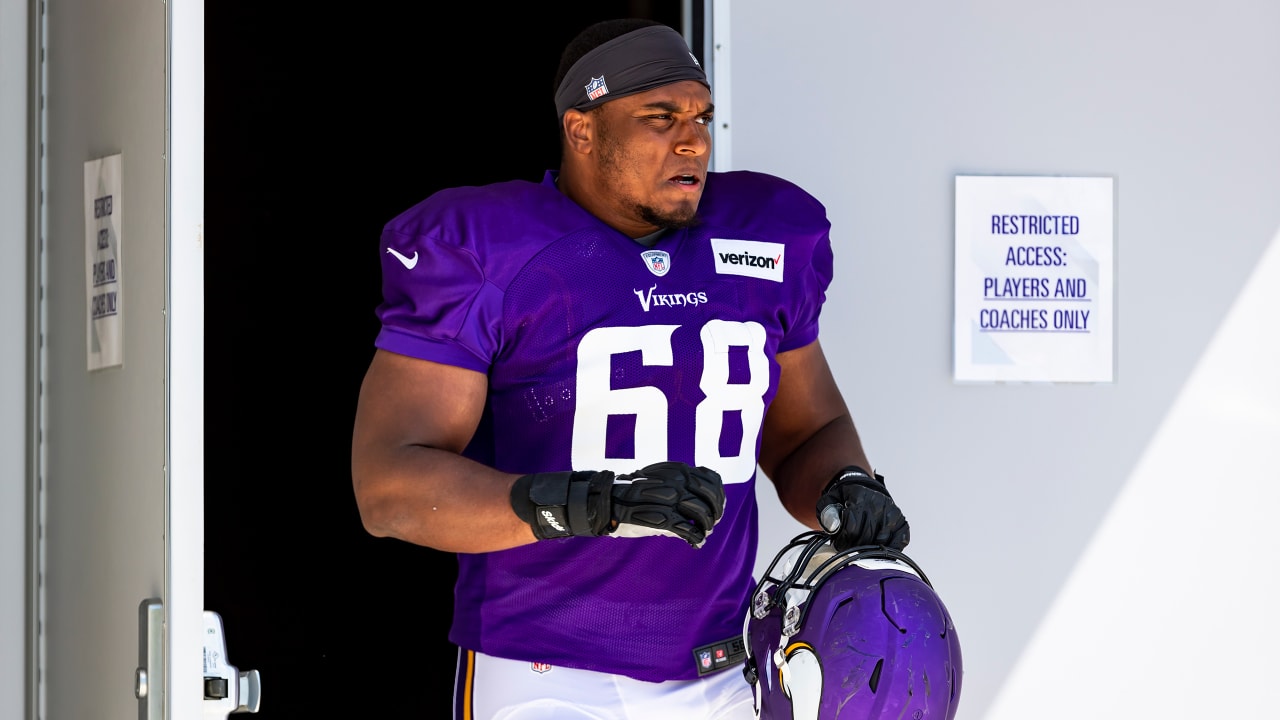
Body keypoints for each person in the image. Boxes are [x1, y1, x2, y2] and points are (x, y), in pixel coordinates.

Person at [350, 17, 911, 720]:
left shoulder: (764, 236)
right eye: (661, 117)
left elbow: (805, 430)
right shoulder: (491, 251)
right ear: (582, 130)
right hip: (546, 669)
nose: (694, 140)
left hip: (724, 668)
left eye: (702, 116)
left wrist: (845, 485)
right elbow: (391, 487)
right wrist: (583, 503)